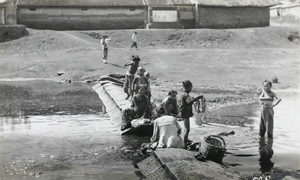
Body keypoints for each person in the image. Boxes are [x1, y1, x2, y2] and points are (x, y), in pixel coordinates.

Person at [179, 80, 203, 148]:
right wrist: (196, 98)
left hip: (183, 112)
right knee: (187, 129)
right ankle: (184, 143)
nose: (191, 89)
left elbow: (186, 103)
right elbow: (189, 102)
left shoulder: (182, 94)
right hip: (185, 113)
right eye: (190, 87)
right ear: (188, 87)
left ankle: (185, 139)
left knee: (186, 128)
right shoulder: (186, 95)